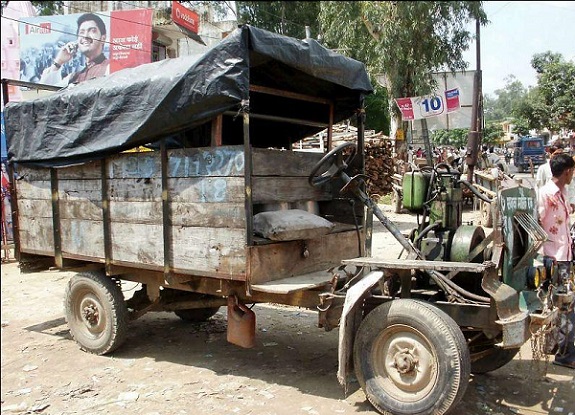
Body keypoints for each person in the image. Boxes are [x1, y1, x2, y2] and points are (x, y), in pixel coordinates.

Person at [537, 152, 575, 369]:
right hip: (554, 257)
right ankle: (565, 354)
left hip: (564, 255)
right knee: (565, 306)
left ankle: (553, 346)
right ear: (568, 171)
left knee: (556, 305)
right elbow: (537, 224)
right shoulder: (546, 195)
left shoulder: (562, 193)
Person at [39, 13, 109, 86]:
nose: (85, 36)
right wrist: (59, 62)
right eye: (82, 32)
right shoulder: (73, 78)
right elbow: (47, 91)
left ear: (103, 38)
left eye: (92, 31)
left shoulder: (110, 68)